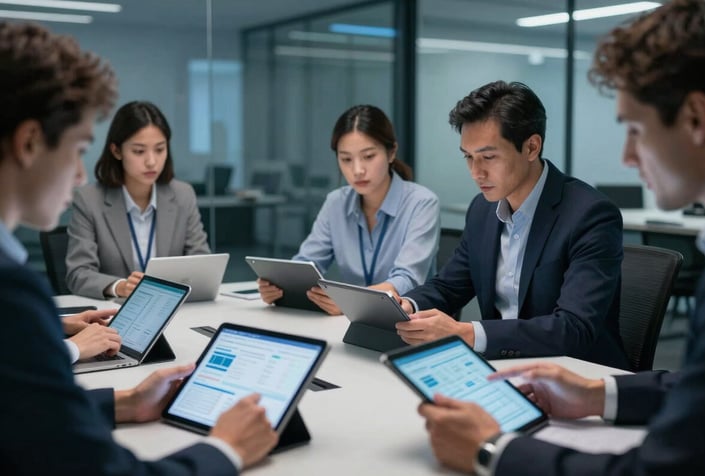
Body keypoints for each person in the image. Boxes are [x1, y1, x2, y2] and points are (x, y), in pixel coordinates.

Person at [417, 1, 705, 475]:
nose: (626, 156)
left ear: (696, 118)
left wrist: (491, 452)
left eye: (635, 129)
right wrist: (599, 393)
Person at [0, 21, 278, 473]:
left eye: (160, 149)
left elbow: (19, 418)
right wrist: (226, 449)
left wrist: (127, 403)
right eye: (76, 149)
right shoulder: (12, 293)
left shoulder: (15, 292)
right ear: (30, 142)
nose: (76, 174)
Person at [397, 81, 629, 368]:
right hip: (502, 367)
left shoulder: (590, 215)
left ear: (531, 147)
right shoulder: (482, 210)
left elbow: (574, 327)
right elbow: (448, 287)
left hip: (577, 375)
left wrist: (468, 333)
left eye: (488, 157)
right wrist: (406, 306)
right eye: (468, 157)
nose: (475, 172)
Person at [259, 105, 440, 315]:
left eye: (368, 156)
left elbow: (406, 279)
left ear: (391, 153)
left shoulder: (422, 203)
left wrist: (349, 302)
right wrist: (279, 286)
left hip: (409, 324)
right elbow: (305, 264)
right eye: (346, 159)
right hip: (348, 324)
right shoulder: (336, 202)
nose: (357, 170)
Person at [66, 100, 210, 299]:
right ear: (116, 151)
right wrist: (120, 286)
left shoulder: (183, 195)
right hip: (115, 314)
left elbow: (201, 262)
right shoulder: (89, 200)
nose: (152, 161)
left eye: (160, 149)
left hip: (172, 308)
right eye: (139, 151)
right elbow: (78, 273)